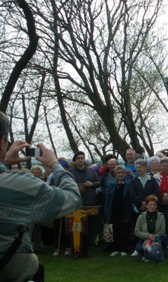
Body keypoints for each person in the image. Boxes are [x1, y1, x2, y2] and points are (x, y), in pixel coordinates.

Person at [0, 111, 82, 281]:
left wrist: (5, 163)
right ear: (2, 142)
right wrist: (55, 164)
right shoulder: (20, 183)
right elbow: (72, 198)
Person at [69, 151, 101, 257]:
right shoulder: (70, 172)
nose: (80, 160)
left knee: (89, 227)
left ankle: (87, 250)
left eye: (82, 158)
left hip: (89, 202)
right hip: (76, 202)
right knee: (76, 227)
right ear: (75, 160)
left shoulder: (91, 171)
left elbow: (99, 182)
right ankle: (76, 250)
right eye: (78, 158)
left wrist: (92, 184)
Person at [103, 165, 133, 257]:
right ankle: (114, 249)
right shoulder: (111, 184)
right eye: (118, 173)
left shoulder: (129, 184)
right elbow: (107, 198)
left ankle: (123, 249)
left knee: (124, 230)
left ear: (125, 174)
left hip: (125, 210)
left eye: (122, 173)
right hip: (113, 210)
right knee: (114, 230)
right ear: (115, 174)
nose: (120, 174)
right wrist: (106, 211)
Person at [134, 195, 166, 263]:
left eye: (154, 205)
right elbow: (136, 231)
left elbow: (162, 231)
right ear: (147, 206)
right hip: (145, 238)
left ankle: (153, 255)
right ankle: (147, 255)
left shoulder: (161, 216)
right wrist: (147, 236)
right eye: (150, 205)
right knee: (139, 248)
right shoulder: (141, 216)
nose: (152, 207)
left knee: (153, 247)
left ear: (156, 206)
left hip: (157, 238)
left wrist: (153, 237)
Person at [153, 157, 168, 249]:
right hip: (160, 202)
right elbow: (154, 189)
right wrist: (161, 198)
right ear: (160, 166)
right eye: (163, 166)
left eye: (167, 166)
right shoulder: (155, 177)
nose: (165, 167)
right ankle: (160, 241)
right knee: (160, 223)